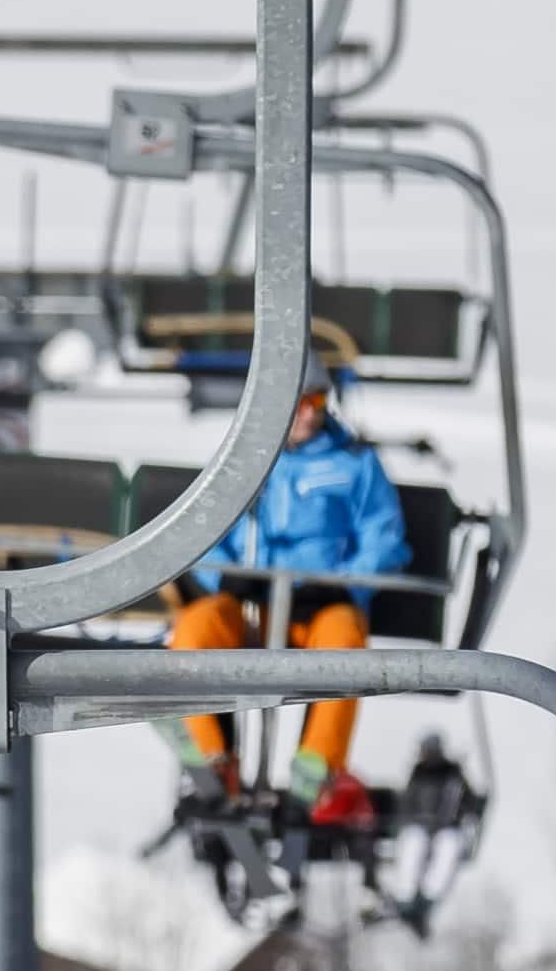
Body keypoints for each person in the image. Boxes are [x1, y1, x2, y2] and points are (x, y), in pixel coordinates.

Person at [163, 350, 411, 822]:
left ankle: (317, 770)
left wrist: (344, 585)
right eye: (298, 402)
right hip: (251, 610)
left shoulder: (354, 464)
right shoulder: (243, 461)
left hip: (316, 611)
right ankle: (210, 761)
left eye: (316, 401)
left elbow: (384, 538)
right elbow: (203, 531)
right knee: (196, 627)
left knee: (344, 636)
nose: (308, 414)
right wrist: (226, 576)